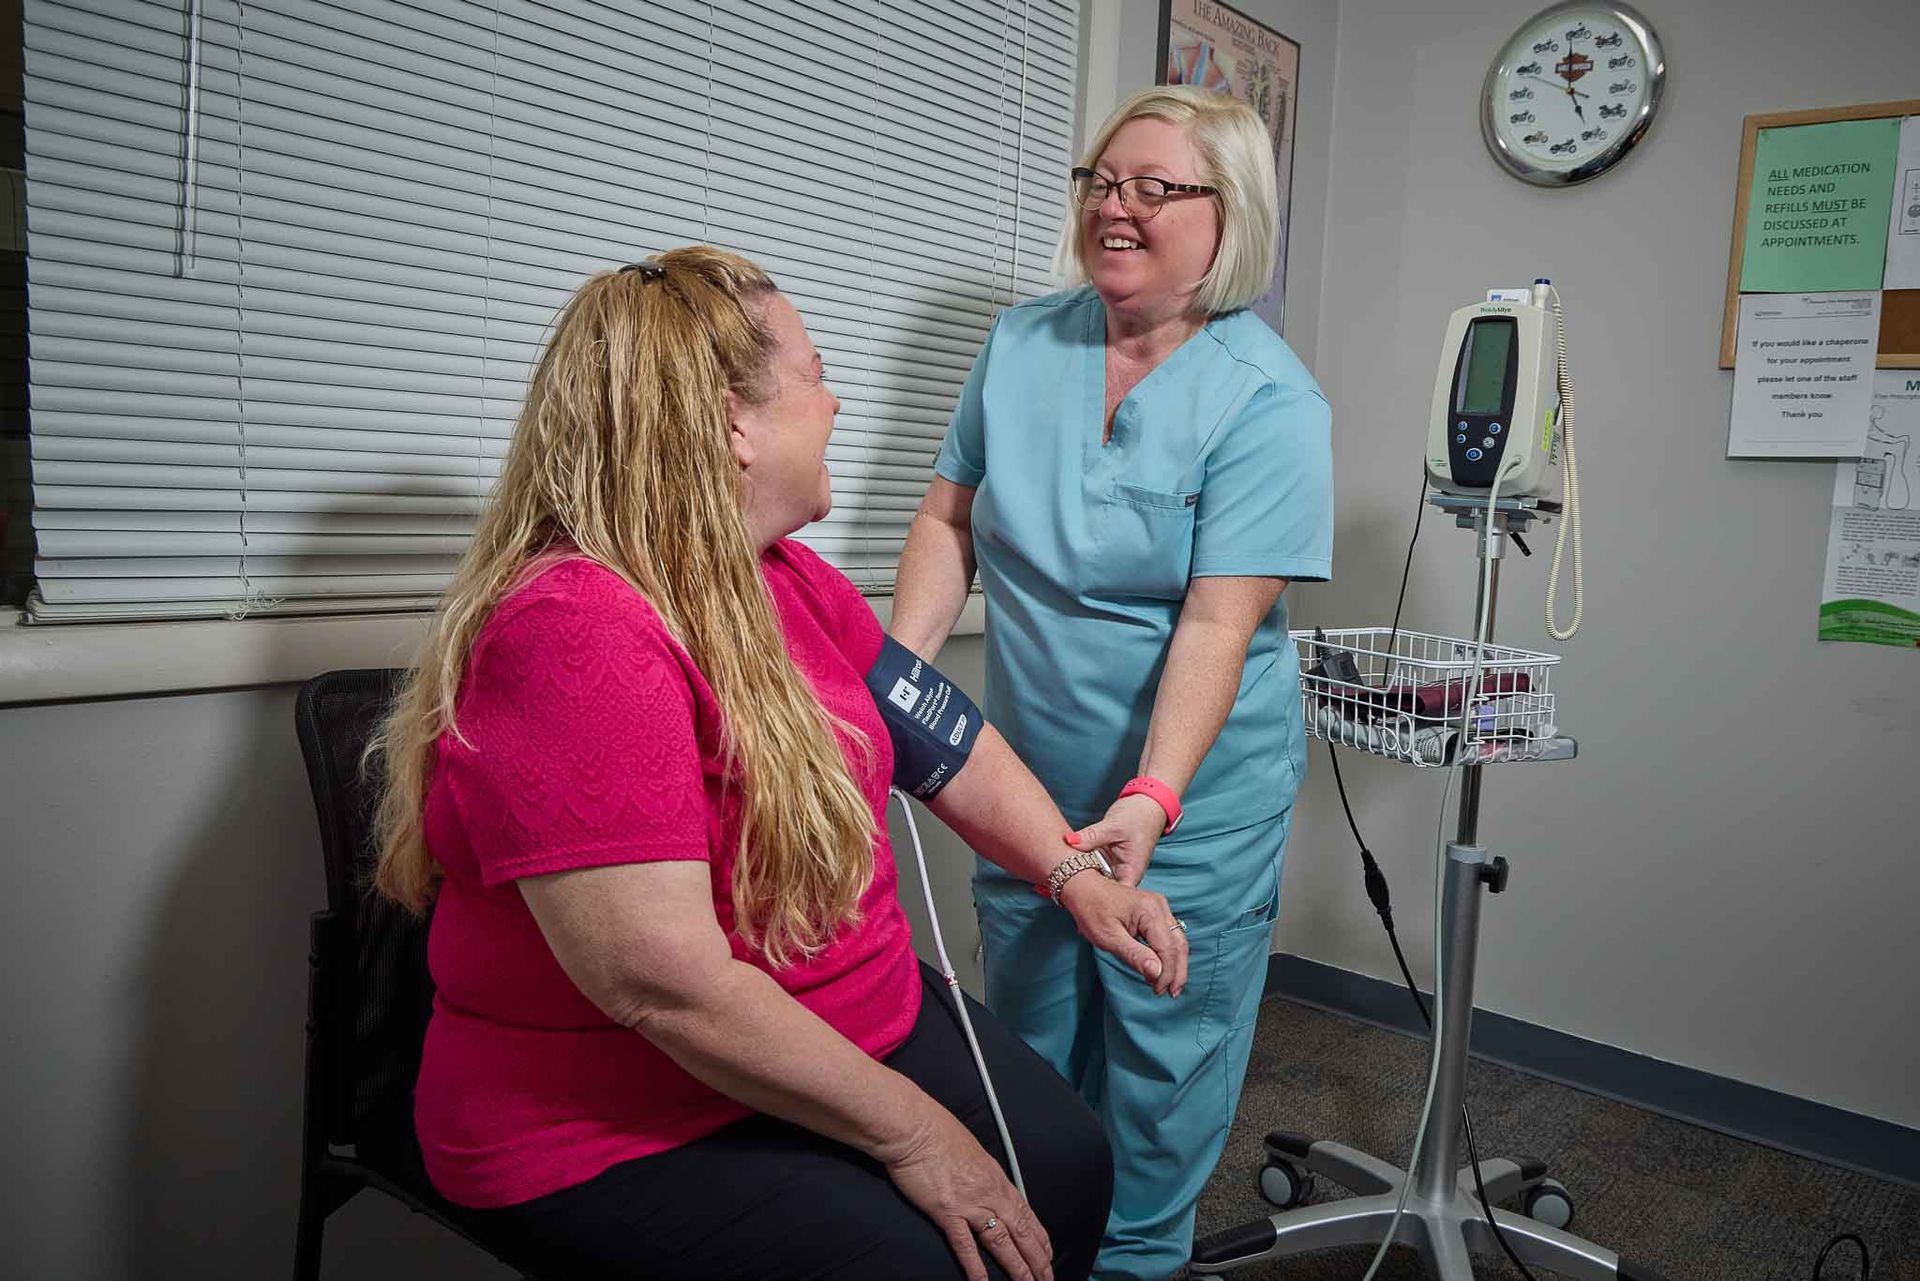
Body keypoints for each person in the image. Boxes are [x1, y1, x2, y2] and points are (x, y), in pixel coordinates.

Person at [370, 246, 1193, 1281]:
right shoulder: (573, 636)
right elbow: (663, 989)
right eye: (815, 375)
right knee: (925, 1263)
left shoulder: (780, 579)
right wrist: (914, 1135)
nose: (836, 402)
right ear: (731, 422)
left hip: (847, 1021)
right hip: (626, 1113)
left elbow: (941, 739)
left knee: (1068, 1164)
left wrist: (1072, 875)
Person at [891, 86, 1335, 1280]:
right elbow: (950, 519)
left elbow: (1216, 625)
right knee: (1026, 1053)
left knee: (1157, 1074)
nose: (1116, 207)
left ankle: (1136, 1260)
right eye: (1103, 179)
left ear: (1227, 214)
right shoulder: (1022, 342)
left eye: (1154, 187)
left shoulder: (1270, 401)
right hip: (1022, 784)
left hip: (1188, 803)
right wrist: (895, 676)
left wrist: (1151, 799)